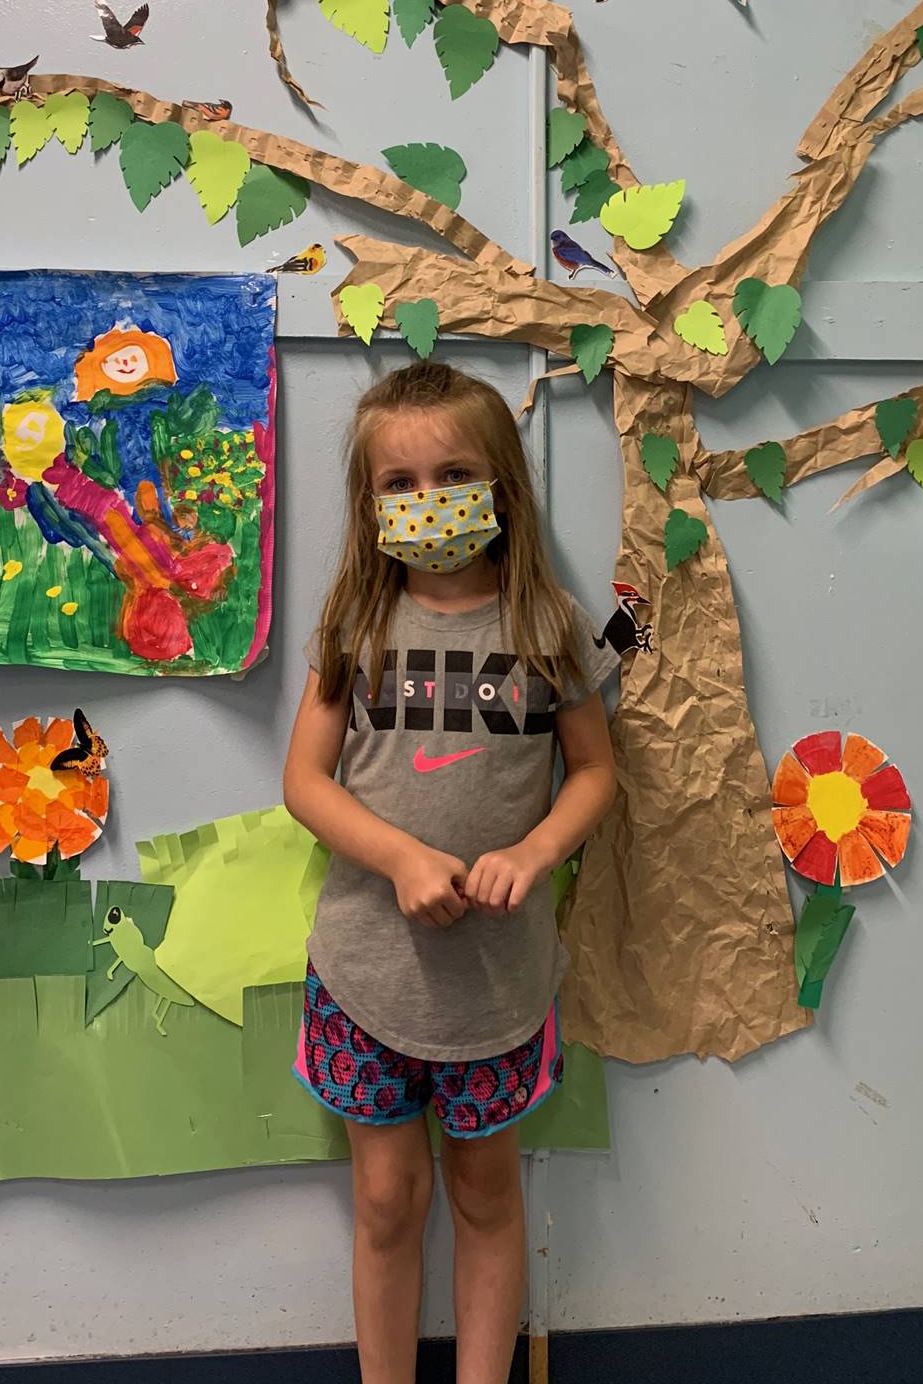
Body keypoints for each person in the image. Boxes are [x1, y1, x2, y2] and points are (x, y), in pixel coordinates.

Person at [283, 363, 618, 1384]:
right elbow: (304, 780)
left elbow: (595, 773)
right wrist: (399, 857)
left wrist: (533, 851)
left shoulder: (551, 626)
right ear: (368, 500)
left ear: (503, 485)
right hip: (366, 975)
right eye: (400, 482)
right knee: (386, 1203)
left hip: (499, 989)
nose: (428, 501)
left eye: (455, 473)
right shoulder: (354, 624)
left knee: (485, 1195)